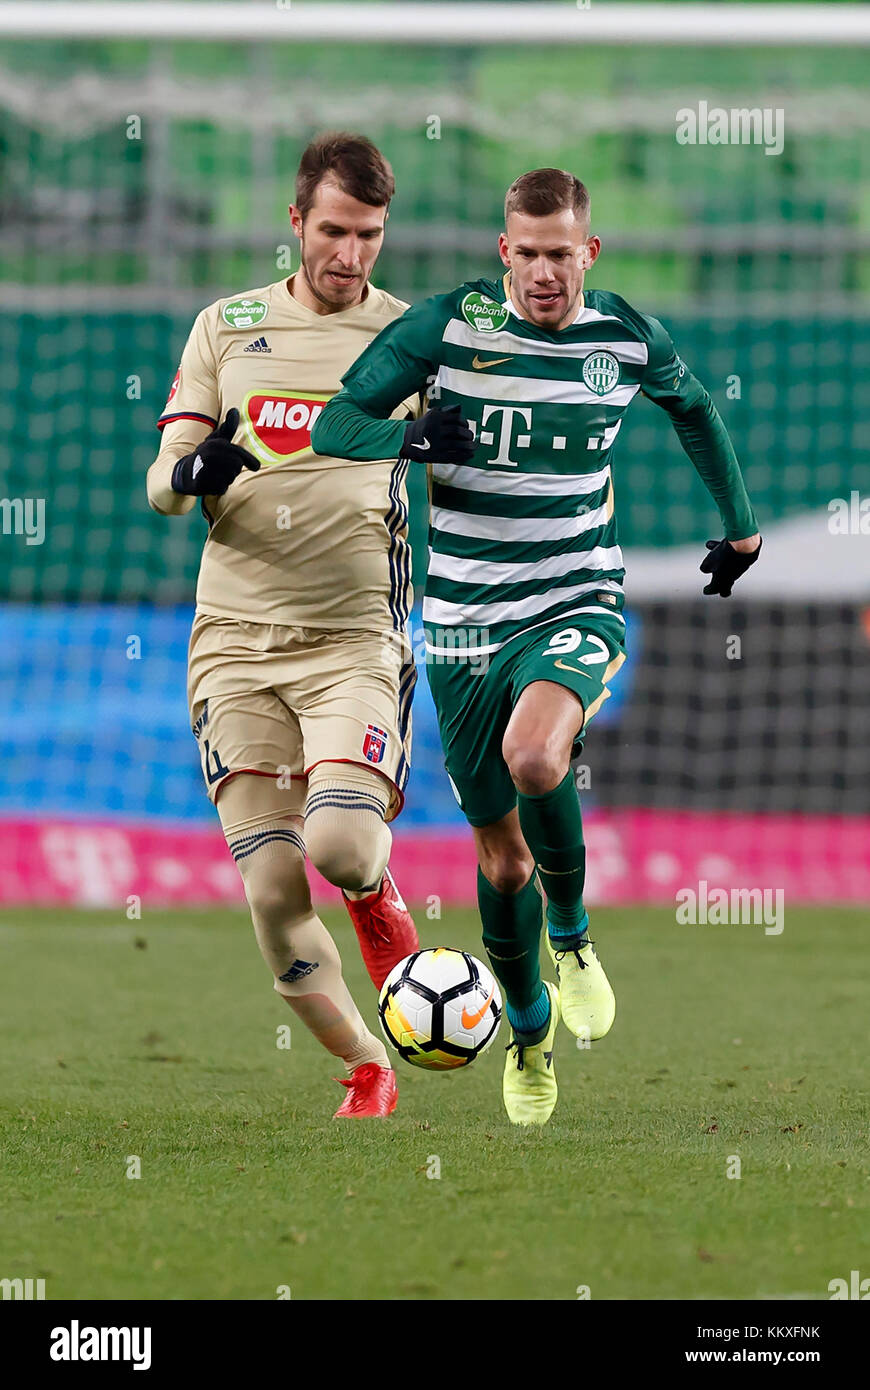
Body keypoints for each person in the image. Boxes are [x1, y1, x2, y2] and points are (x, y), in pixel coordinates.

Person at [312, 167, 761, 1125]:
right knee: (501, 859)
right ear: (503, 251)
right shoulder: (448, 328)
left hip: (576, 597)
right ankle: (527, 1028)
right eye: (530, 252)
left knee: (536, 753)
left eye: (564, 253)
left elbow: (695, 412)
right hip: (464, 622)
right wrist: (411, 440)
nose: (546, 272)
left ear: (588, 253)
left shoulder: (625, 337)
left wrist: (743, 525)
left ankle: (576, 935)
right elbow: (332, 423)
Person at [146, 133, 422, 1119]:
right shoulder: (226, 328)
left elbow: (469, 456)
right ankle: (366, 1063)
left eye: (371, 235)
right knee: (270, 886)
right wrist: (193, 473)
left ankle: (381, 905)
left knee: (343, 845)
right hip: (234, 645)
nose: (351, 255)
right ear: (296, 222)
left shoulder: (410, 337)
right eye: (336, 231)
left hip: (354, 640)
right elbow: (163, 481)